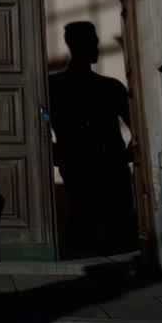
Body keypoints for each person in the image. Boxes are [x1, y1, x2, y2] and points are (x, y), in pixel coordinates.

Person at [47, 21, 136, 257]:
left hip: (89, 162)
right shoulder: (108, 88)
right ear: (75, 44)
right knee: (89, 217)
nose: (97, 46)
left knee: (87, 217)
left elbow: (40, 122)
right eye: (93, 41)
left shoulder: (55, 88)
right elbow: (41, 120)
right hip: (95, 163)